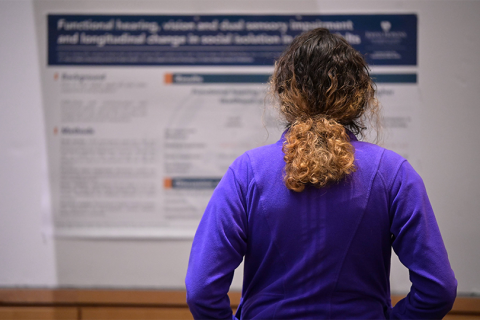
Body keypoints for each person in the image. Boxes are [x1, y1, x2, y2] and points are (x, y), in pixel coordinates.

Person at [185, 28, 457, 319]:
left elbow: (202, 289)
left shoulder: (247, 172)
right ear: (360, 95)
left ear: (283, 91)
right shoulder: (393, 173)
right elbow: (438, 288)